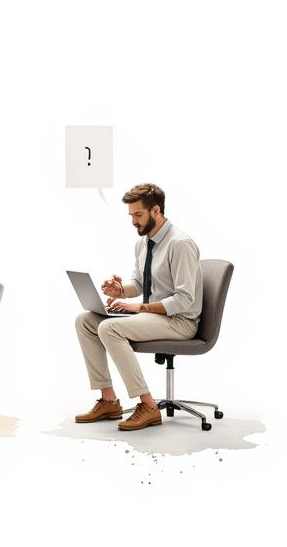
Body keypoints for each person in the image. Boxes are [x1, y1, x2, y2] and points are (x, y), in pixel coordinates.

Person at [74, 183, 202, 431]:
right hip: (157, 318)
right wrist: (122, 290)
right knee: (86, 321)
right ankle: (109, 400)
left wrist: (138, 308)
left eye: (138, 214)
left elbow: (184, 300)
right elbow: (140, 282)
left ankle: (148, 406)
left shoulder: (180, 244)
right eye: (131, 215)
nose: (133, 221)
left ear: (156, 211)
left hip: (180, 322)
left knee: (110, 329)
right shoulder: (144, 243)